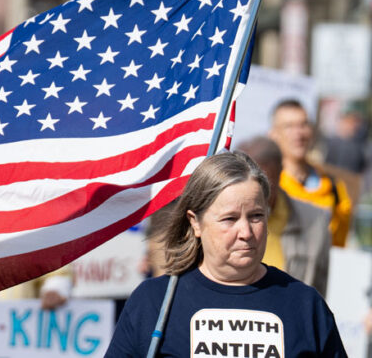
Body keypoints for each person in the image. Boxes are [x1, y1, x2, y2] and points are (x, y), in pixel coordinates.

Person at [106, 152, 345, 357]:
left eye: (256, 216)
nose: (246, 232)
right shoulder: (154, 302)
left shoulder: (305, 304)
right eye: (230, 219)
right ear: (195, 223)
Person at [236, 136, 331, 295]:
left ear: (280, 174)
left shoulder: (315, 222)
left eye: (263, 185)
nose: (254, 195)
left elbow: (319, 290)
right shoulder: (216, 219)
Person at [268, 99, 353, 246]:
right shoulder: (267, 186)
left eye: (304, 124)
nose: (298, 133)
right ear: (273, 134)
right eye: (289, 126)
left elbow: (339, 246)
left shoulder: (333, 187)